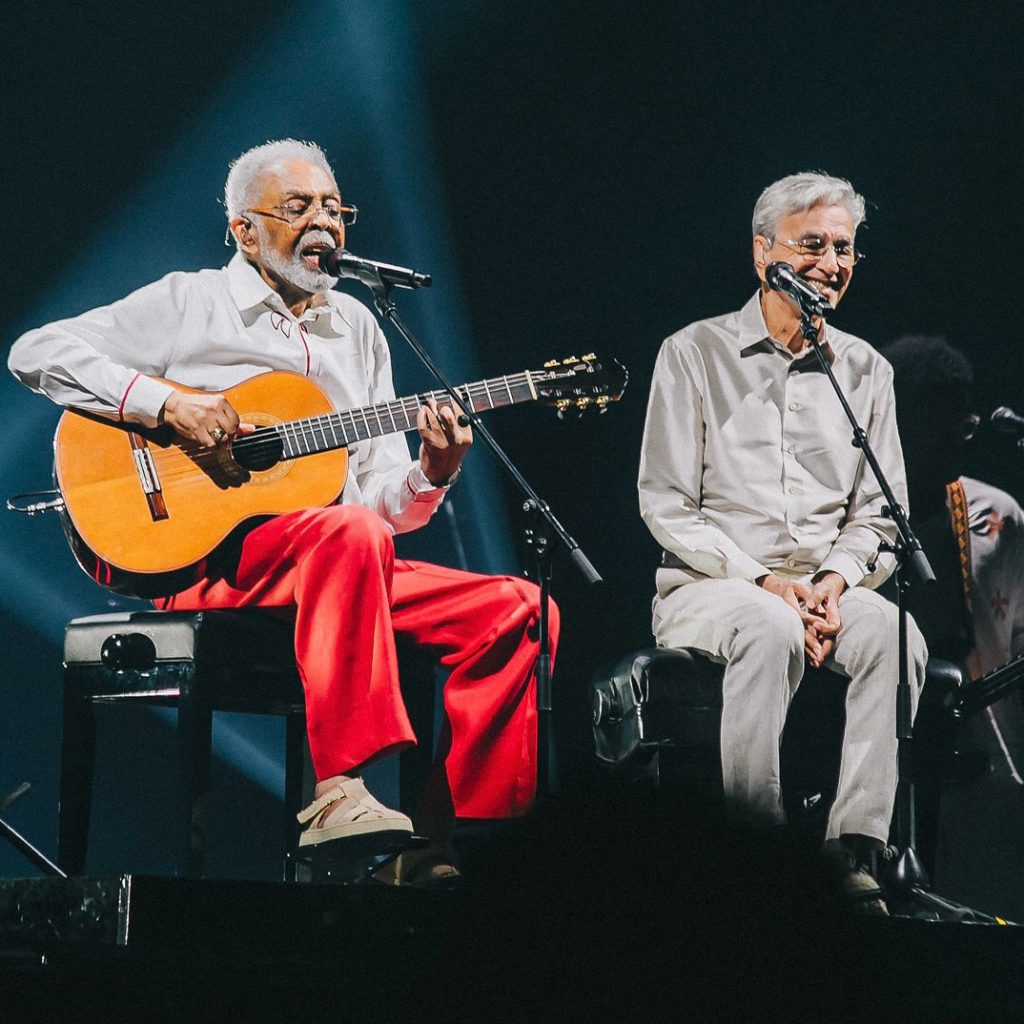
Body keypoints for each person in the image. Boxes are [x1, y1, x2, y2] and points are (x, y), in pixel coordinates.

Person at [8, 138, 558, 885]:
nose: (323, 222)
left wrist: (432, 473)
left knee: (521, 611)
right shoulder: (190, 302)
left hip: (336, 563)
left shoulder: (358, 326)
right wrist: (167, 405)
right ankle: (339, 792)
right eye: (298, 207)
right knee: (349, 534)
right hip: (205, 559)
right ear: (244, 230)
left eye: (334, 208)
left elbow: (380, 505)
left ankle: (443, 846)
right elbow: (36, 351)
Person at [638, 171, 928, 905]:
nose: (831, 263)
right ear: (763, 253)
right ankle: (756, 855)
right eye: (812, 245)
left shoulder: (866, 370)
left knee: (897, 636)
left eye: (844, 248)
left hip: (827, 585)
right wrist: (768, 584)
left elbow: (881, 513)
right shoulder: (693, 353)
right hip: (712, 585)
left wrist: (832, 582)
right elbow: (666, 504)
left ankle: (853, 849)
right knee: (770, 627)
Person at [884, 335, 1024, 919]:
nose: (964, 435)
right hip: (885, 762)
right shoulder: (851, 514)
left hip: (985, 769)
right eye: (945, 421)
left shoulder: (999, 516)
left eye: (967, 422)